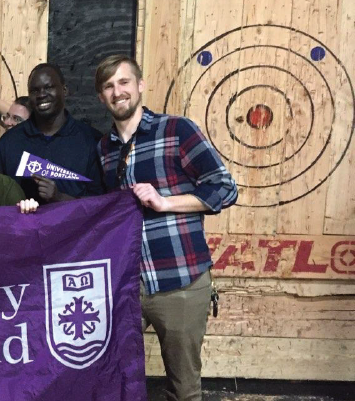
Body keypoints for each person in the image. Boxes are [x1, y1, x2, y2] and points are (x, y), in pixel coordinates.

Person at [94, 55, 238, 401]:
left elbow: (224, 187)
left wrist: (165, 201)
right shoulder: (104, 149)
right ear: (102, 97)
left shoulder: (176, 130)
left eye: (124, 82)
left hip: (180, 281)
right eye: (109, 86)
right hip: (127, 286)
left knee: (183, 388)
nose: (118, 92)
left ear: (140, 86)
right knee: (110, 376)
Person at [0, 63, 104, 203]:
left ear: (65, 90)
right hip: (22, 225)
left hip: (75, 225)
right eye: (34, 91)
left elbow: (100, 206)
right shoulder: (9, 143)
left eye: (48, 87)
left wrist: (59, 198)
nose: (42, 95)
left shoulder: (91, 140)